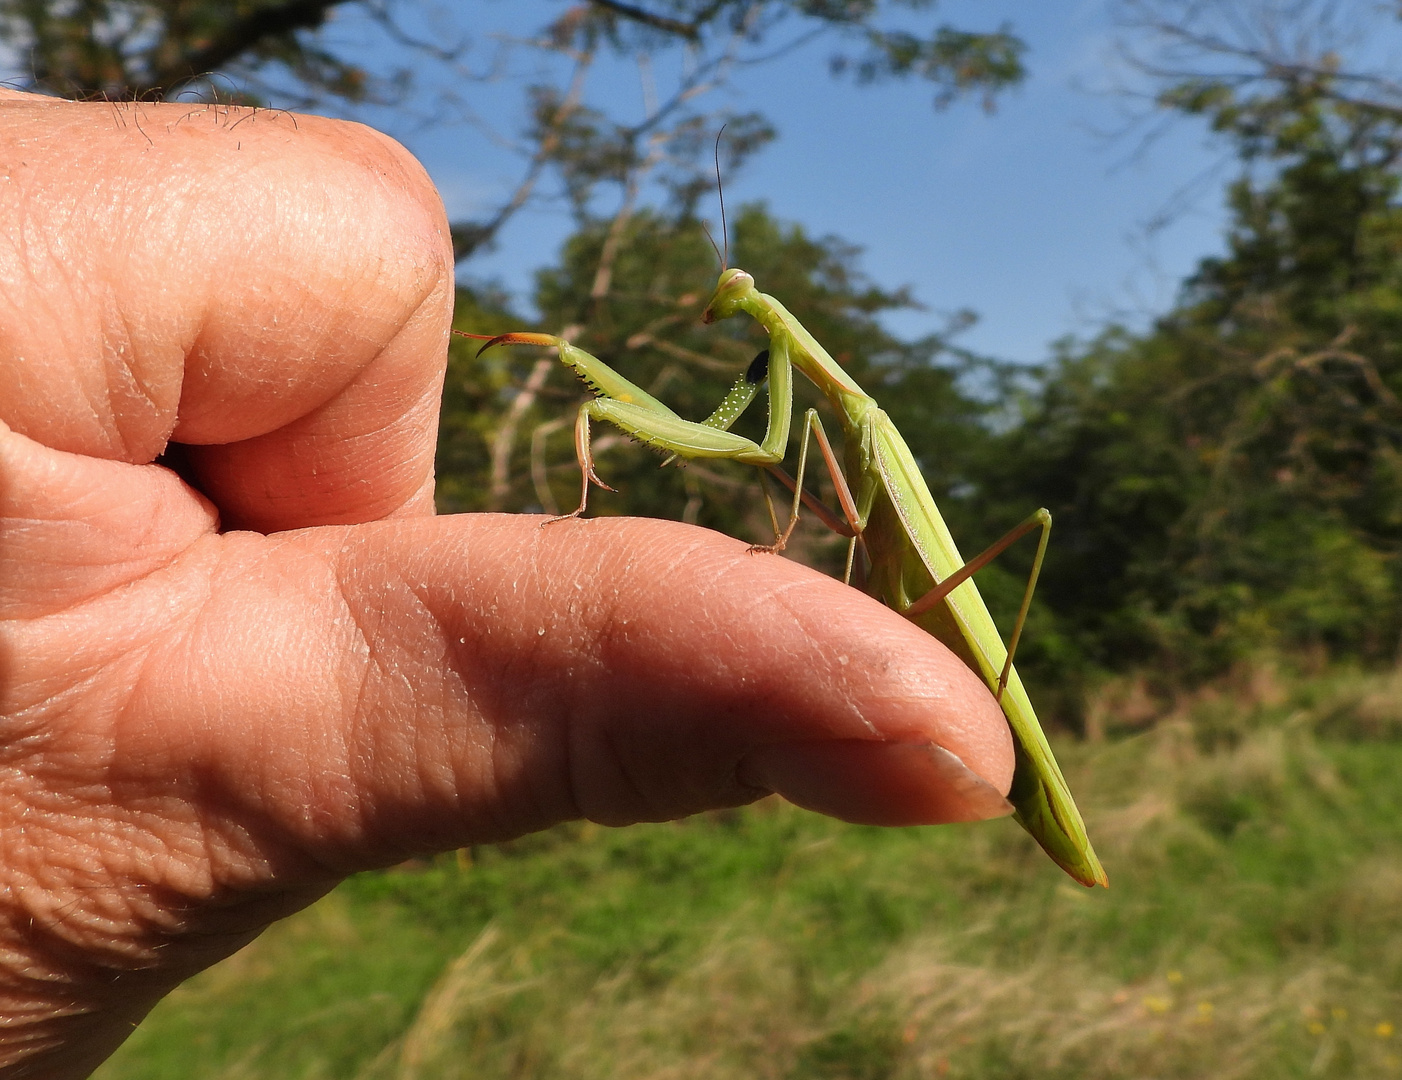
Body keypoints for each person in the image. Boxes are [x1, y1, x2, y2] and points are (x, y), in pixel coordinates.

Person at [0, 88, 1013, 1078]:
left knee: (1005, 542)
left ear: (762, 305)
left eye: (735, 296)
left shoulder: (856, 415)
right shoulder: (794, 380)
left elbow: (773, 452)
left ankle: (1006, 686)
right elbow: (765, 445)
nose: (721, 301)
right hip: (896, 590)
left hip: (940, 589)